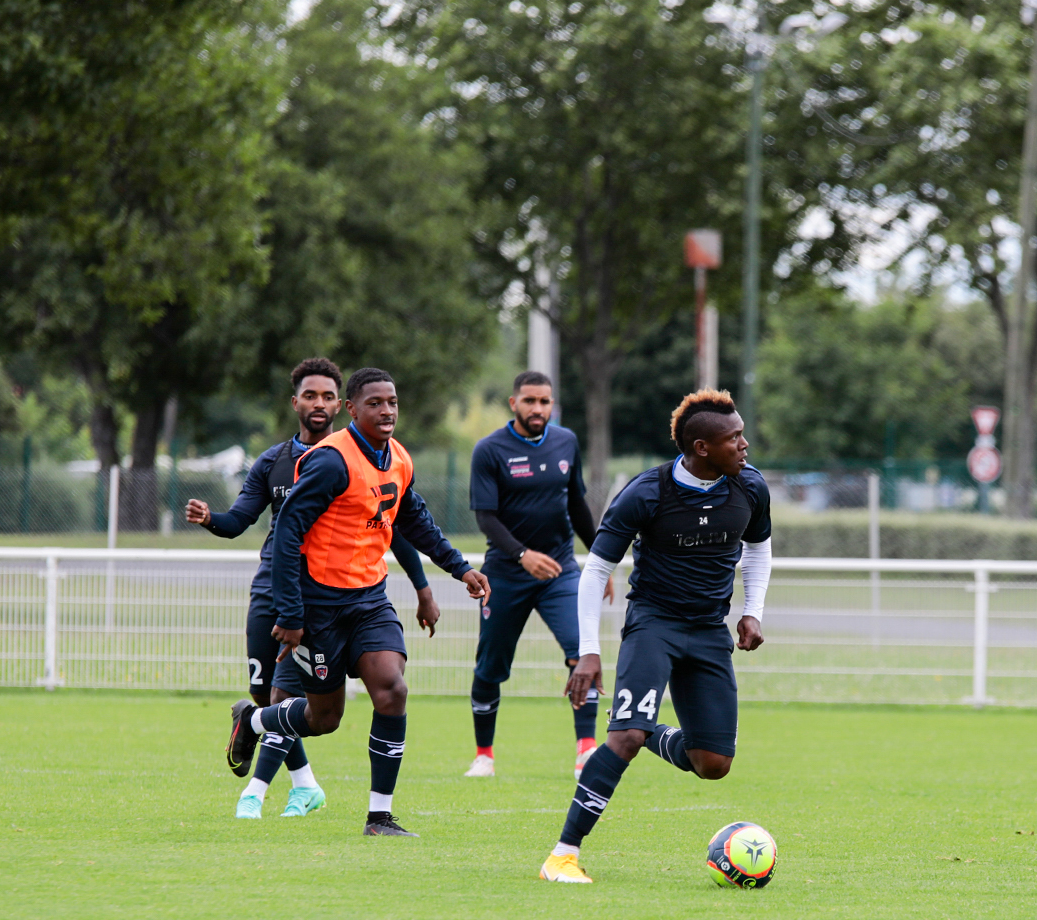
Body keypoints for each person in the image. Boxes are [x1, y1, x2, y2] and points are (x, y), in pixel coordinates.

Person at [229, 367, 491, 836]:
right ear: (352, 409)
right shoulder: (332, 461)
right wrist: (291, 613)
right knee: (323, 719)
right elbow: (287, 531)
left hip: (370, 599)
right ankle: (253, 720)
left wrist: (460, 568)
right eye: (375, 403)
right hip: (319, 606)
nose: (386, 410)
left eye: (392, 402)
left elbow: (416, 522)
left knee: (392, 690)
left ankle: (379, 818)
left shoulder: (399, 459)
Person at [538, 390, 772, 884]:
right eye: (735, 438)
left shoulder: (750, 488)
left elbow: (758, 549)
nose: (745, 445)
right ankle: (562, 856)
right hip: (654, 626)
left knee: (713, 764)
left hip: (710, 632)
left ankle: (645, 728)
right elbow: (595, 568)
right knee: (623, 737)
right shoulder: (647, 493)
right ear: (702, 448)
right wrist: (588, 652)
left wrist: (752, 611)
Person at [188, 358, 438, 819]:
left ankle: (286, 790)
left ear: (339, 405)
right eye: (310, 395)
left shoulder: (366, 458)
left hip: (339, 597)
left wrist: (425, 586)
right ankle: (297, 781)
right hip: (278, 592)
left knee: (323, 705)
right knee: (271, 695)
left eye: (327, 396)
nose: (318, 403)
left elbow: (398, 523)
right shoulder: (276, 462)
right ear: (296, 402)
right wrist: (212, 520)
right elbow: (244, 521)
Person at [462, 370, 613, 781]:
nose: (537, 409)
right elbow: (486, 517)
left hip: (560, 571)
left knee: (581, 652)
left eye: (545, 402)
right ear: (514, 403)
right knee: (490, 668)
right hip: (506, 575)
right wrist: (522, 554)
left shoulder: (566, 441)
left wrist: (602, 560)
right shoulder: (489, 450)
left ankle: (586, 750)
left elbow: (578, 505)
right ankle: (484, 756)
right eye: (530, 401)